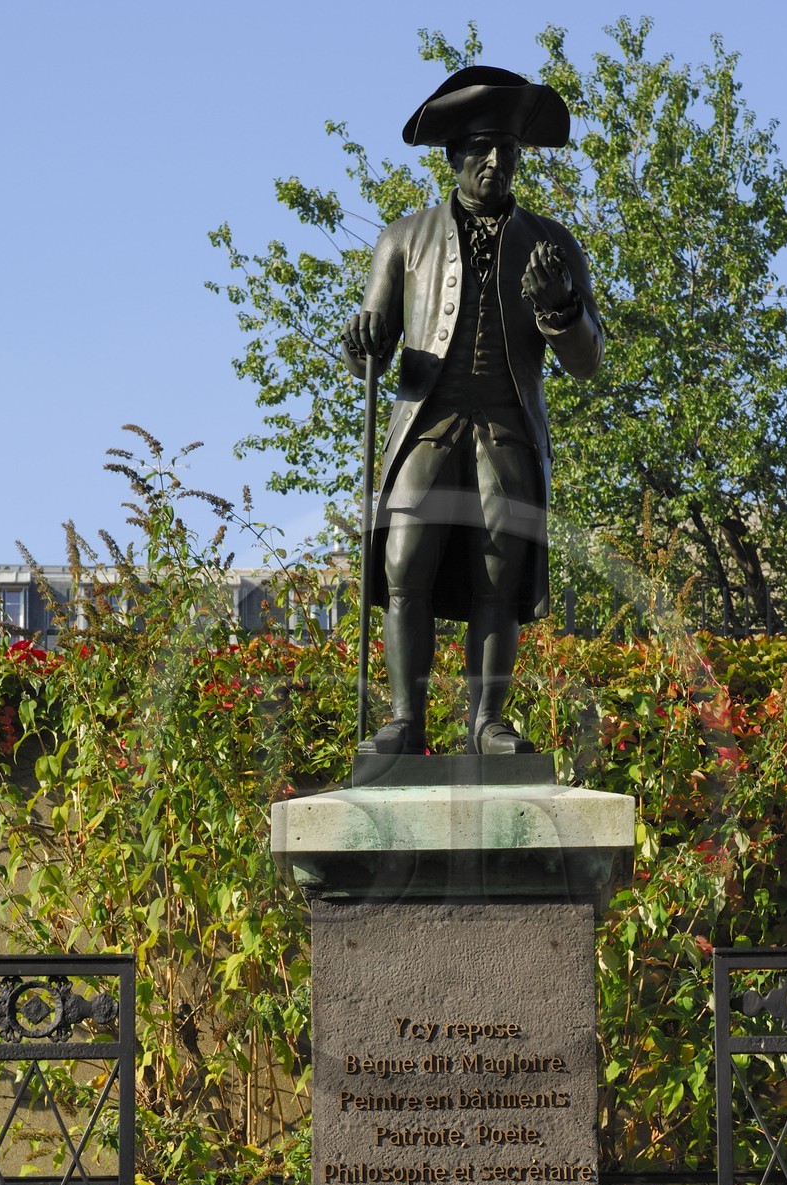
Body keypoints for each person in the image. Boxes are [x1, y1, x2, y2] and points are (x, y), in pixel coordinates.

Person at [342, 66, 603, 756]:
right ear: (453, 157)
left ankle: (488, 721)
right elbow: (370, 339)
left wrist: (559, 308)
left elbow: (588, 359)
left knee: (500, 572)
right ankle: (406, 719)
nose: (495, 163)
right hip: (425, 424)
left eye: (507, 152)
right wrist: (364, 342)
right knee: (406, 564)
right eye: (482, 149)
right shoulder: (403, 239)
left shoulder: (551, 244)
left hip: (507, 427)